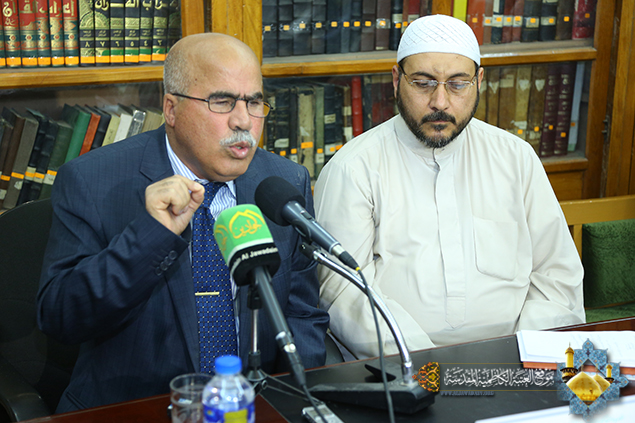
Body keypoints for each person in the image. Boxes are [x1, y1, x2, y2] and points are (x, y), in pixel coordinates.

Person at [37, 33, 329, 412]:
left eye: (254, 102)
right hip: (134, 409)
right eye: (222, 102)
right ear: (171, 109)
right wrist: (151, 236)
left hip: (254, 406)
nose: (243, 121)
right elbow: (61, 317)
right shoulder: (92, 181)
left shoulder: (282, 183)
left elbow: (302, 314)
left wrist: (292, 403)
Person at [314, 14, 585, 360]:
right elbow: (345, 293)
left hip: (515, 360)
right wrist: (429, 369)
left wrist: (522, 356)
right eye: (423, 83)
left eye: (458, 84)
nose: (440, 102)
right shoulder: (354, 168)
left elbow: (557, 276)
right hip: (399, 367)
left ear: (479, 81)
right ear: (396, 80)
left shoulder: (515, 157)